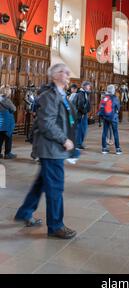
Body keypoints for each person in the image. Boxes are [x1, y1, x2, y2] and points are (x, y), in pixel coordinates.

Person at [15, 63, 77, 239]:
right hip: (51, 148)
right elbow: (46, 124)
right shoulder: (49, 96)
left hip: (54, 148)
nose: (67, 74)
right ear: (54, 75)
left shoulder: (61, 94)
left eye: (67, 71)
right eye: (63, 72)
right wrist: (64, 139)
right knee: (55, 187)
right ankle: (56, 225)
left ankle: (25, 212)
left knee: (41, 182)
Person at [99, 84, 122, 155]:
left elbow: (101, 107)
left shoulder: (104, 97)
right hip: (113, 117)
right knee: (115, 132)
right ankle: (118, 149)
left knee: (104, 132)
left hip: (105, 117)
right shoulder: (115, 98)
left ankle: (104, 148)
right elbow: (118, 107)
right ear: (113, 90)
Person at [73, 80, 91, 149]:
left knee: (83, 129)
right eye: (88, 85)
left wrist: (88, 110)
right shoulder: (81, 94)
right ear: (85, 86)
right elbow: (80, 104)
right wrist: (84, 112)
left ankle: (80, 143)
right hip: (80, 114)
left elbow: (86, 103)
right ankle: (78, 144)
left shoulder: (85, 93)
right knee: (80, 129)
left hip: (83, 113)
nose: (89, 87)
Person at [0, 85, 16, 159]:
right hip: (6, 123)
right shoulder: (6, 100)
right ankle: (7, 153)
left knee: (0, 139)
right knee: (8, 138)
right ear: (7, 92)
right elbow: (14, 109)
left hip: (0, 123)